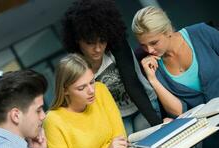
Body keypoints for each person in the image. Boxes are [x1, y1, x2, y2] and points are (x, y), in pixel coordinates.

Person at [44, 53, 170, 148]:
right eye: (81, 88)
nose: (91, 91)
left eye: (91, 82)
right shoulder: (53, 121)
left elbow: (119, 140)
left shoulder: (101, 90)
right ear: (65, 89)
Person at [132, 6, 219, 148]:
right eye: (143, 46)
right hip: (211, 128)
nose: (149, 50)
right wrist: (154, 79)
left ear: (167, 31)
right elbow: (179, 110)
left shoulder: (200, 33)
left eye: (153, 42)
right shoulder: (157, 67)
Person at [61, 0, 163, 135]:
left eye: (102, 41)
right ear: (77, 40)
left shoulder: (117, 45)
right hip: (115, 116)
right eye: (90, 43)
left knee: (144, 134)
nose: (98, 49)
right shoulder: (77, 65)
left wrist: (159, 127)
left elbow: (132, 85)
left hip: (145, 102)